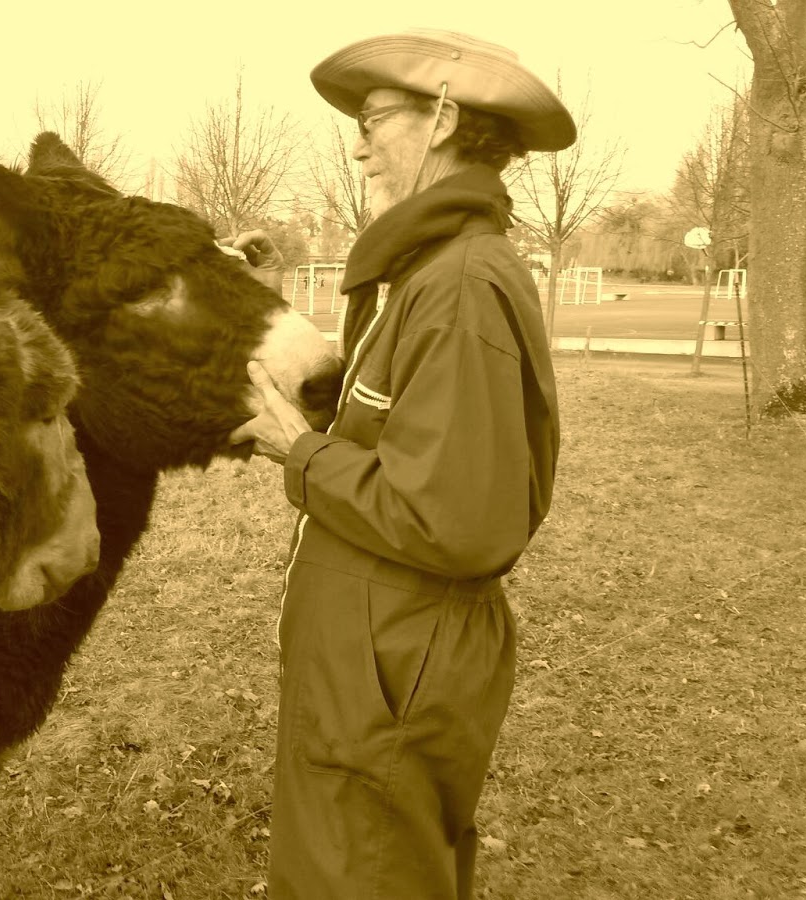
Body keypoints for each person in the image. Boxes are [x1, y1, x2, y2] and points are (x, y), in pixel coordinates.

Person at [229, 29, 572, 900]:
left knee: (361, 875)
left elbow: (451, 518)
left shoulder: (458, 285)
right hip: (375, 652)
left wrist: (296, 454)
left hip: (393, 660)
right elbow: (394, 425)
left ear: (445, 119)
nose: (357, 143)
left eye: (374, 118)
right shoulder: (428, 271)